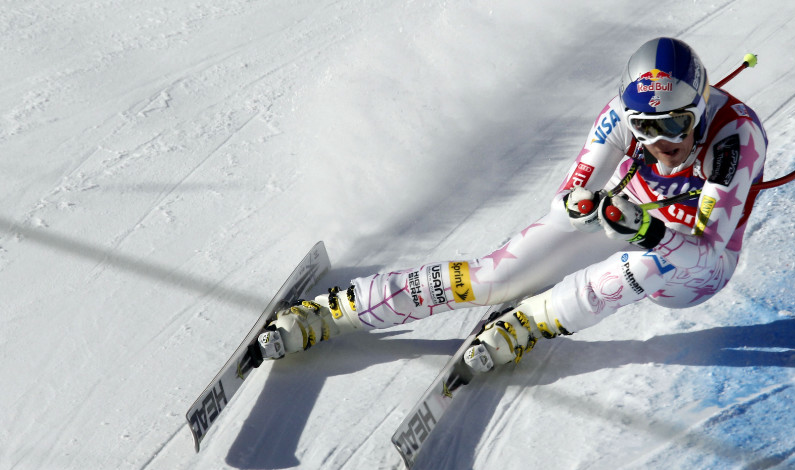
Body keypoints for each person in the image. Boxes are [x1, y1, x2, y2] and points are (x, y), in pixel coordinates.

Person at [257, 37, 768, 373]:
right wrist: (580, 207)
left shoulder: (735, 138)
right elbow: (571, 193)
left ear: (700, 107)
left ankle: (534, 321)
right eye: (645, 126)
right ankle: (331, 313)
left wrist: (645, 231)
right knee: (492, 278)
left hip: (695, 268)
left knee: (644, 261)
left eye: (675, 124)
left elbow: (707, 245)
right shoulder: (618, 114)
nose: (661, 140)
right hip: (626, 220)